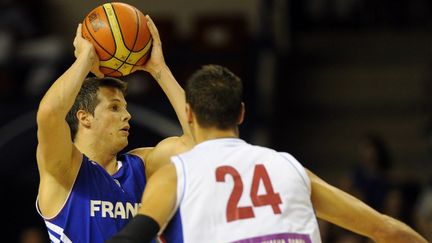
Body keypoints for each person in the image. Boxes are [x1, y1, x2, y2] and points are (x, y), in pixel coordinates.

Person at [107, 65, 428, 243]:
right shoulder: (289, 166)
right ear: (242, 113)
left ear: (188, 115)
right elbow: (384, 229)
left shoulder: (177, 173)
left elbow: (133, 239)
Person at [36, 15, 192, 242]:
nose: (127, 115)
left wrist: (160, 70)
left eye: (125, 107)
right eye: (115, 107)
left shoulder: (144, 165)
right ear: (85, 117)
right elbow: (49, 112)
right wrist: (85, 61)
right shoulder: (65, 168)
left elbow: (201, 141)